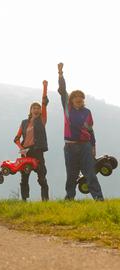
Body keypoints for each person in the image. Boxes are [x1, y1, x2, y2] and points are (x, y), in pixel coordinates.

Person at [58, 62, 104, 201]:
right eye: (75, 96)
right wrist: (60, 74)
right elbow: (63, 89)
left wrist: (93, 146)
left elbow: (90, 130)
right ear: (71, 100)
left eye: (80, 97)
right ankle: (69, 199)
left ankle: (99, 199)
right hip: (70, 146)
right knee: (71, 174)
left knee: (90, 173)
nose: (78, 98)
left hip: (85, 146)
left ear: (83, 100)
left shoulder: (87, 112)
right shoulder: (68, 108)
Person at [14, 81, 49, 201]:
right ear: (30, 110)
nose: (37, 109)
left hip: (38, 151)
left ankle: (45, 200)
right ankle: (24, 200)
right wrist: (21, 149)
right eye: (34, 108)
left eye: (38, 108)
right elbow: (16, 138)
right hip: (26, 152)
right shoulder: (24, 123)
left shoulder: (42, 119)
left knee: (41, 176)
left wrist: (45, 87)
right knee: (24, 177)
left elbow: (44, 102)